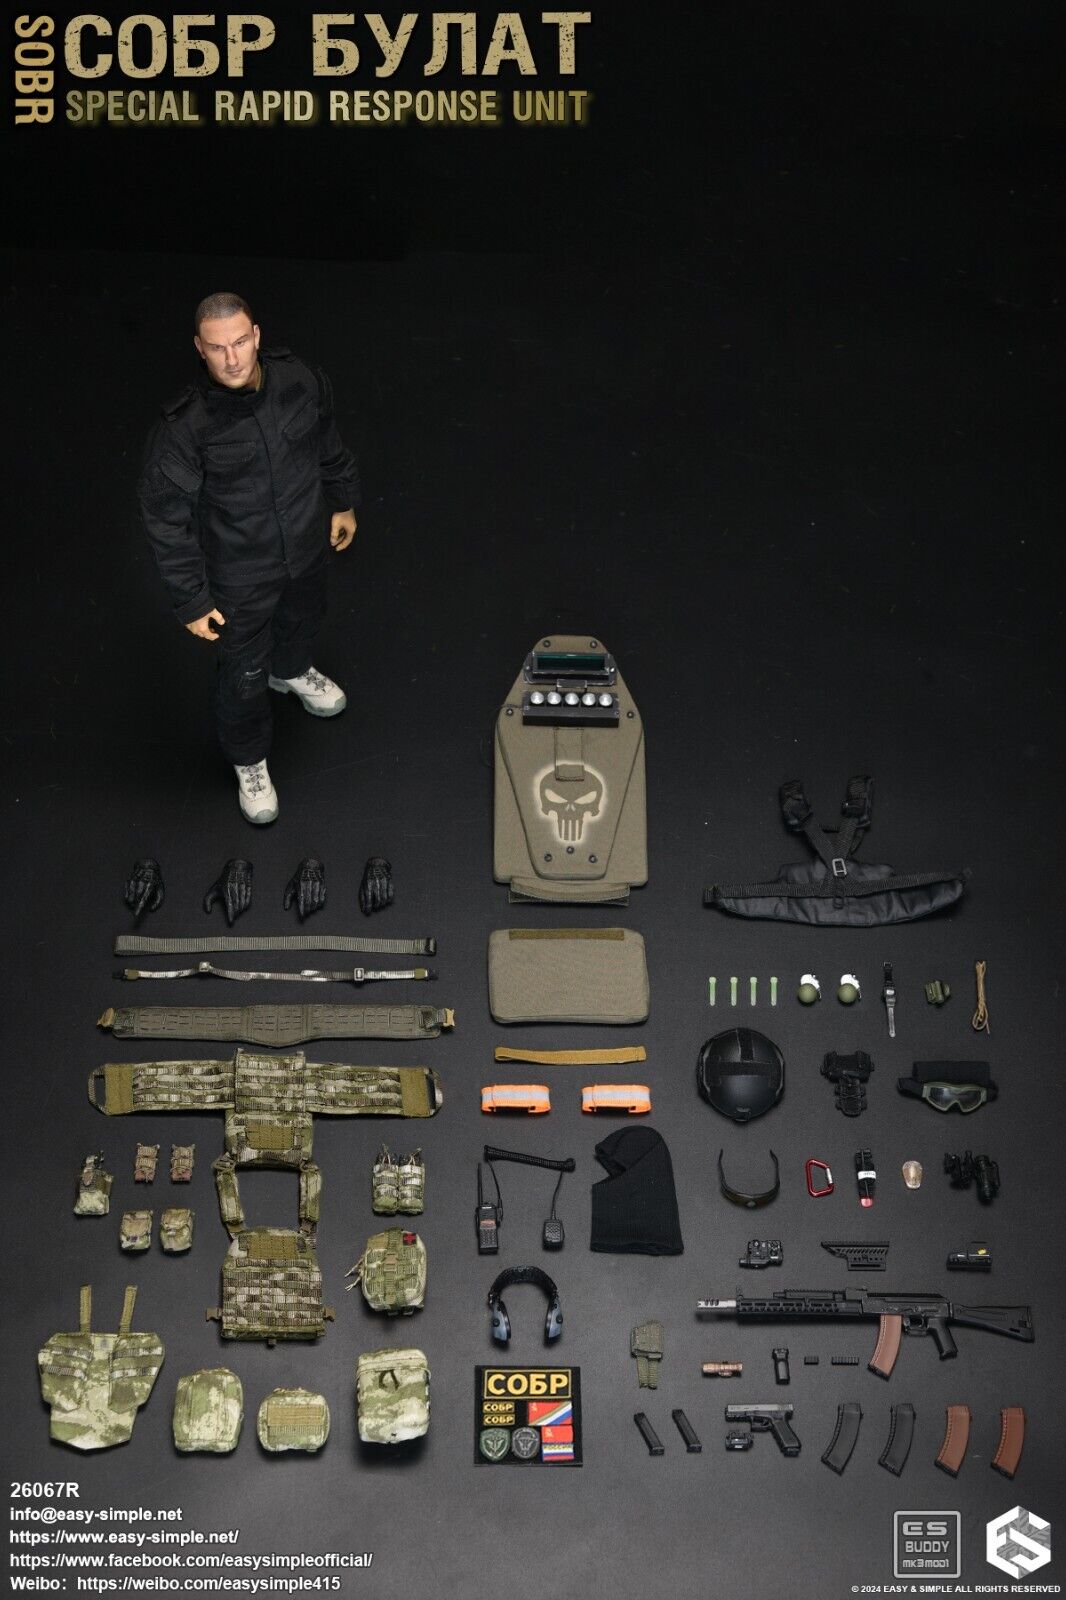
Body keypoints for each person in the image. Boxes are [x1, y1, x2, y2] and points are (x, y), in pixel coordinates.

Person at [137, 292, 359, 823]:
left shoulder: (298, 380)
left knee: (304, 619)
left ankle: (293, 670)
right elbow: (165, 520)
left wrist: (343, 500)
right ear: (200, 348)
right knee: (242, 674)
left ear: (257, 335)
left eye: (240, 342)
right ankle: (249, 759)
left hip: (305, 546)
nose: (233, 358)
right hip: (239, 574)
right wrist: (192, 600)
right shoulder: (186, 427)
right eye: (218, 348)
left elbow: (327, 440)